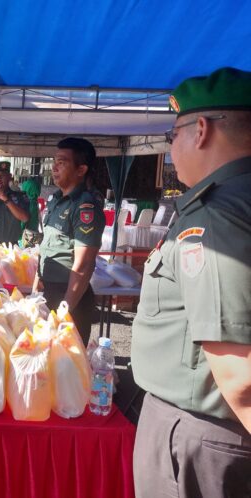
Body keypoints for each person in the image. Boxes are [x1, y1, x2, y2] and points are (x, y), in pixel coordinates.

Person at [131, 67, 251, 498]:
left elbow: (240, 376)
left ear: (200, 130)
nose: (171, 148)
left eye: (172, 135)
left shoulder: (217, 215)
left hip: (206, 442)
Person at [32, 139, 104, 343]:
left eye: (62, 162)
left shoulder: (85, 206)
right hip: (50, 291)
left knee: (66, 364)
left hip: (71, 297)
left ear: (81, 170)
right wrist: (36, 287)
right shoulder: (55, 200)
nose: (54, 167)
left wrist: (65, 309)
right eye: (54, 161)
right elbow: (47, 246)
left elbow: (84, 264)